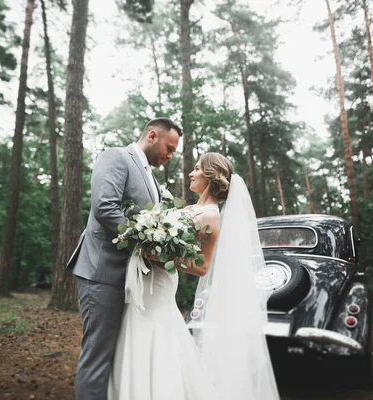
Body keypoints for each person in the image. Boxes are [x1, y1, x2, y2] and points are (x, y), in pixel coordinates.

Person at [108, 153, 280, 400]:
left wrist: (158, 256)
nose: (190, 172)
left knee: (156, 335)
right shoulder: (191, 208)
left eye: (197, 168)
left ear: (210, 176)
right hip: (149, 281)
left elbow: (202, 267)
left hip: (160, 285)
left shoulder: (211, 215)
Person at [66, 118, 182, 400]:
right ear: (152, 136)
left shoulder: (152, 179)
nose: (169, 156)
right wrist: (147, 245)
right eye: (169, 148)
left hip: (130, 279)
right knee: (99, 353)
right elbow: (105, 207)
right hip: (102, 272)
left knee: (119, 353)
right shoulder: (115, 156)